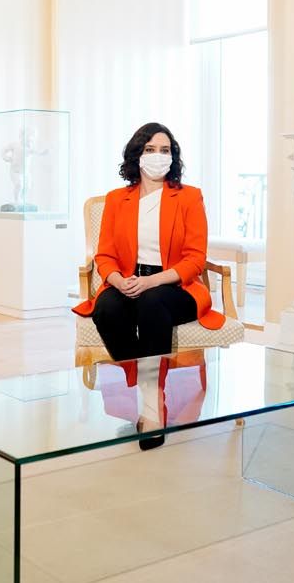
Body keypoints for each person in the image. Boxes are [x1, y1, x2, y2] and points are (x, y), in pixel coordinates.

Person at [72, 123, 225, 449]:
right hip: (127, 278)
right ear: (137, 154)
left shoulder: (189, 197)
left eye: (165, 150)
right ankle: (146, 384)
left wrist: (151, 281)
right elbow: (105, 255)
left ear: (174, 157)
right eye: (151, 149)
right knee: (108, 308)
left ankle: (152, 405)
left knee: (152, 303)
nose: (159, 156)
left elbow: (195, 259)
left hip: (173, 284)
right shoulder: (117, 199)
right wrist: (116, 280)